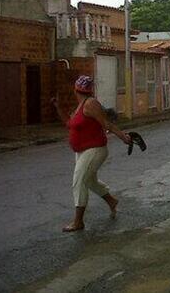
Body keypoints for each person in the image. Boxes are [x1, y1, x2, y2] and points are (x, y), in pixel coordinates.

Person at [52, 75, 131, 232]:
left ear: (75, 90)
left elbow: (106, 124)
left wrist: (123, 137)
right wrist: (58, 107)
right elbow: (69, 124)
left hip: (94, 149)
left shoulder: (90, 104)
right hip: (82, 151)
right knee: (90, 181)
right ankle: (111, 201)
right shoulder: (81, 105)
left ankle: (78, 221)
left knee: (79, 181)